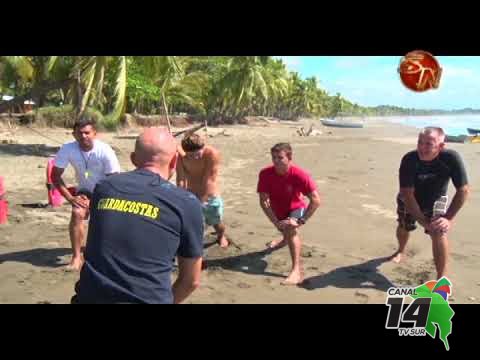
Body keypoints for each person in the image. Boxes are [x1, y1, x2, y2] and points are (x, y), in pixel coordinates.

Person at [72, 127, 204, 304]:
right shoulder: (186, 202)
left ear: (134, 159)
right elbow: (191, 280)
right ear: (174, 162)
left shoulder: (105, 188)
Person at [392, 127, 469, 279]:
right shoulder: (409, 159)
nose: (422, 147)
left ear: (441, 146)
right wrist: (423, 221)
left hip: (436, 200)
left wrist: (448, 218)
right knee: (403, 226)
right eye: (420, 142)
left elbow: (463, 190)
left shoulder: (451, 158)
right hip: (410, 197)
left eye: (428, 144)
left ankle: (441, 279)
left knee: (438, 231)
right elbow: (407, 193)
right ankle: (401, 250)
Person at [52, 117, 121, 271]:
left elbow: (114, 180)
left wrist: (96, 199)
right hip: (84, 191)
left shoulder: (105, 150)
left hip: (108, 191)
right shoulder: (68, 148)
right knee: (77, 212)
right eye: (80, 133)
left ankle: (107, 256)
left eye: (87, 133)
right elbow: (55, 176)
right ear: (73, 134)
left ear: (94, 133)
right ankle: (77, 257)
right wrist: (70, 198)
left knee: (104, 222)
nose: (83, 136)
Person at [257, 143, 321, 285]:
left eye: (280, 158)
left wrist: (300, 221)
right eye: (273, 157)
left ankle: (296, 270)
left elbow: (316, 200)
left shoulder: (300, 175)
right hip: (277, 208)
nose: (276, 161)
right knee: (283, 228)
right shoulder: (265, 173)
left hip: (296, 207)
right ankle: (283, 240)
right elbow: (263, 201)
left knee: (291, 229)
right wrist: (275, 222)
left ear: (289, 157)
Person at [176, 133, 229, 248]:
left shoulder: (211, 154)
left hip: (210, 195)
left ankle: (221, 236)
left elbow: (209, 180)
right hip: (191, 193)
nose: (195, 157)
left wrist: (201, 201)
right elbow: (180, 179)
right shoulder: (181, 156)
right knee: (192, 223)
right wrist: (180, 197)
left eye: (197, 154)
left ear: (203, 148)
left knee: (216, 223)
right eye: (190, 155)